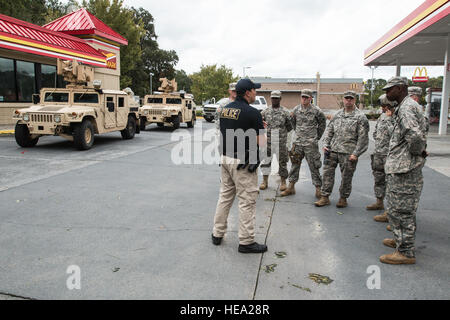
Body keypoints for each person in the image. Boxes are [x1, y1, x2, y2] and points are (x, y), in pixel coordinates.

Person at [212, 78, 268, 254]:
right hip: (243, 163)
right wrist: (261, 128)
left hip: (226, 158)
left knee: (225, 197)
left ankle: (217, 233)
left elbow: (230, 131)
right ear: (248, 92)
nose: (256, 93)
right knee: (247, 201)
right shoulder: (253, 113)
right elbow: (261, 143)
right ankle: (246, 241)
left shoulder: (224, 110)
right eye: (254, 90)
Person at [379, 77, 427, 265]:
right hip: (402, 166)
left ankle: (405, 252)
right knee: (397, 208)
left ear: (400, 88)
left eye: (389, 89)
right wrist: (420, 152)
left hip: (404, 168)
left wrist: (416, 154)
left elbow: (414, 136)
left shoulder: (406, 108)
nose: (387, 93)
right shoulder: (406, 106)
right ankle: (401, 241)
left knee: (403, 210)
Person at [315, 91, 369, 208]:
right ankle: (325, 197)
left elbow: (363, 138)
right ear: (343, 100)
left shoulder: (360, 117)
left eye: (351, 99)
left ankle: (343, 198)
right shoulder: (337, 114)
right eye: (346, 98)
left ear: (354, 100)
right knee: (327, 175)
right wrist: (325, 144)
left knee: (346, 177)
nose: (348, 101)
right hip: (332, 151)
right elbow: (329, 131)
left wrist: (356, 153)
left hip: (348, 153)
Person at [281, 89, 326, 198]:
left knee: (314, 166)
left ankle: (318, 189)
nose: (304, 99)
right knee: (294, 165)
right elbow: (293, 123)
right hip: (298, 143)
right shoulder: (296, 109)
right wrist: (299, 134)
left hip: (311, 144)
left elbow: (322, 125)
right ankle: (291, 187)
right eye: (303, 97)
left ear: (311, 98)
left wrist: (315, 137)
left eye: (306, 97)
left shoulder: (317, 111)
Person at [366, 94, 396, 223]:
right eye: (382, 106)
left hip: (391, 155)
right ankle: (379, 201)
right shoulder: (382, 116)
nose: (383, 108)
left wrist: (390, 119)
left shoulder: (398, 117)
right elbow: (375, 132)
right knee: (379, 179)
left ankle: (391, 212)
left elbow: (396, 134)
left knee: (392, 184)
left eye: (385, 106)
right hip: (379, 153)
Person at [259, 90, 293, 191]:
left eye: (276, 98)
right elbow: (260, 126)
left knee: (282, 162)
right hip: (268, 142)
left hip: (281, 142)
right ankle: (264, 181)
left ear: (280, 99)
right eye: (273, 98)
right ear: (271, 99)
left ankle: (283, 181)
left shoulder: (285, 112)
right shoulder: (265, 112)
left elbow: (289, 127)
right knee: (266, 161)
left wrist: (287, 142)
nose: (274, 100)